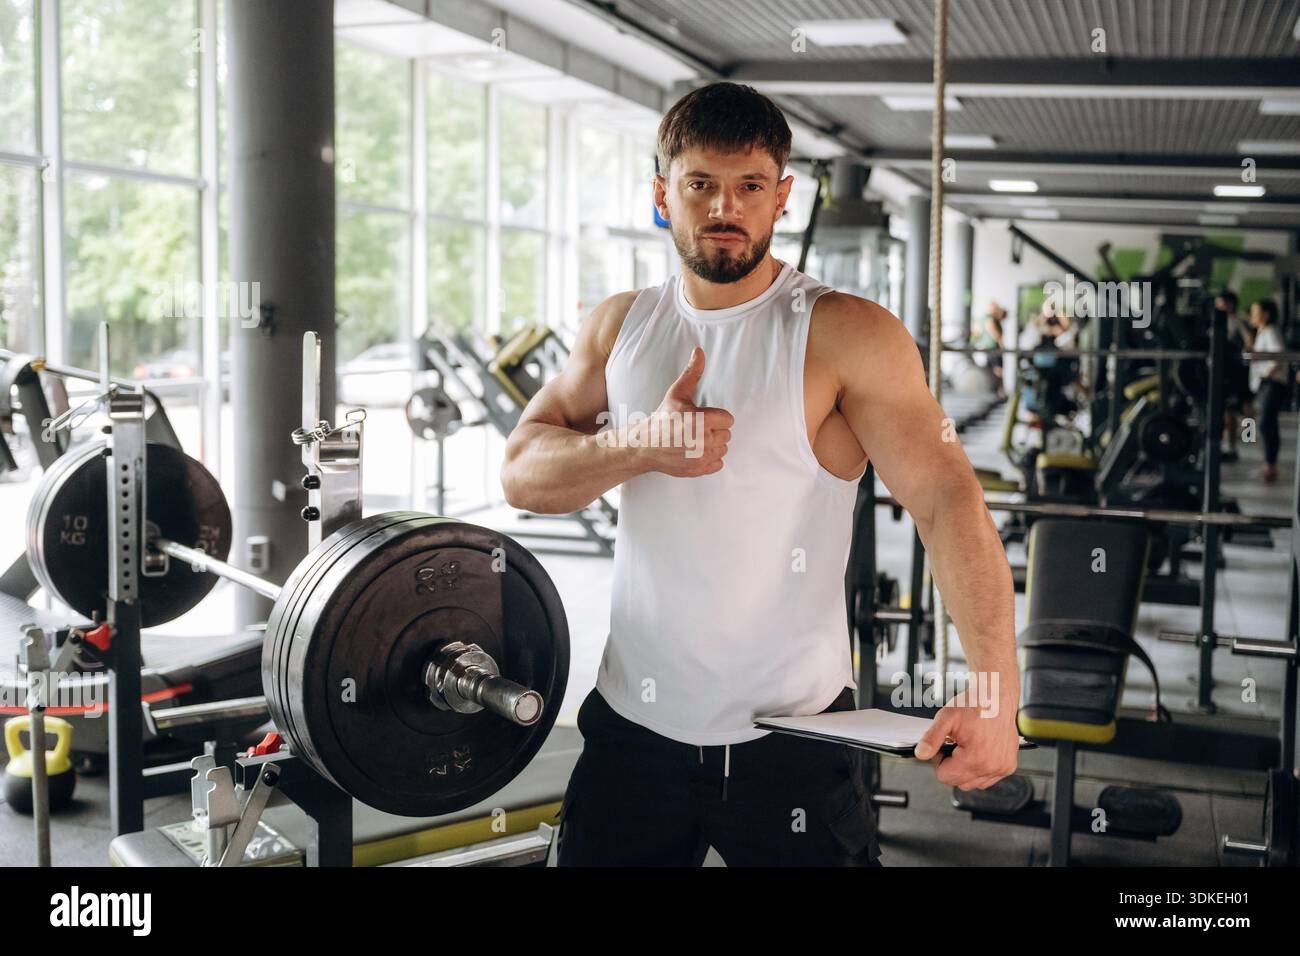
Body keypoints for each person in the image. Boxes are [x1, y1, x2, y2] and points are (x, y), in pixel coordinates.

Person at [502, 82, 1020, 867]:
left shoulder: (845, 333)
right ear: (661, 194)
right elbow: (521, 474)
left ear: (781, 197)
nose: (725, 207)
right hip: (632, 733)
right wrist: (639, 446)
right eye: (700, 184)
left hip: (794, 744)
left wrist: (994, 690)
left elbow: (950, 502)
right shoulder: (621, 325)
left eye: (749, 186)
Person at [1248, 298, 1286, 484]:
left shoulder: (1271, 332)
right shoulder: (1262, 332)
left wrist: (1266, 376)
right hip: (1266, 383)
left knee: (1265, 424)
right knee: (1268, 424)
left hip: (1273, 383)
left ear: (1266, 314)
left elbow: (1278, 357)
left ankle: (1271, 465)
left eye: (1256, 312)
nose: (1252, 316)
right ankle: (1270, 465)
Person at [1216, 291, 1253, 463]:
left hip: (1236, 370)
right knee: (1227, 412)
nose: (1218, 306)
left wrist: (1240, 354)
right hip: (1222, 370)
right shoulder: (1217, 321)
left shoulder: (1236, 321)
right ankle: (1228, 445)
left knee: (1242, 407)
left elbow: (1249, 342)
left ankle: (1247, 437)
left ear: (1230, 304)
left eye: (1221, 303)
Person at [972, 303, 1006, 397]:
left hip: (989, 348)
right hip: (993, 348)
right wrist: (1001, 343)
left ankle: (995, 392)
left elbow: (977, 333)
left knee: (992, 370)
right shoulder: (989, 319)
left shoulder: (984, 319)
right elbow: (994, 333)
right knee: (997, 370)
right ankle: (998, 392)